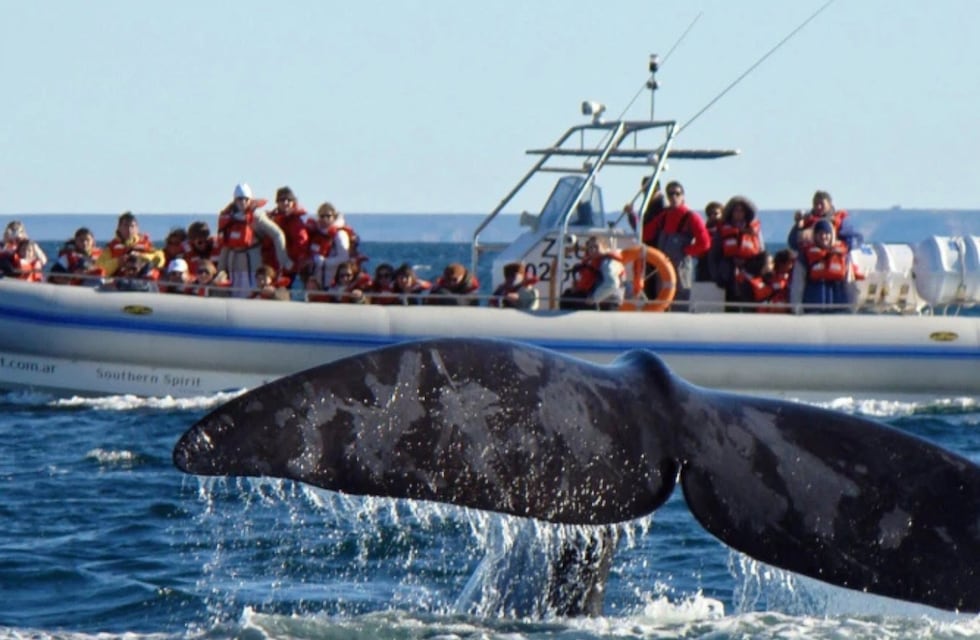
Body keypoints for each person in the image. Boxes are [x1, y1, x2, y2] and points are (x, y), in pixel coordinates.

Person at [641, 180, 711, 310]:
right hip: (662, 266)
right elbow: (645, 234)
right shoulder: (663, 216)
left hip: (681, 267)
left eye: (677, 193)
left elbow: (705, 243)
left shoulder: (691, 217)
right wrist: (633, 216)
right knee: (661, 299)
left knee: (681, 300)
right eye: (670, 194)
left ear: (683, 196)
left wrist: (686, 251)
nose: (674, 197)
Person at [216, 183, 292, 297]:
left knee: (253, 292)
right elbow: (226, 244)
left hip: (252, 261)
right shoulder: (228, 217)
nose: (243, 202)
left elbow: (277, 234)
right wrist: (220, 270)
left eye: (246, 199)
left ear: (250, 199)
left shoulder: (257, 216)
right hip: (233, 262)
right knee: (234, 292)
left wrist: (284, 260)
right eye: (239, 199)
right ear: (235, 200)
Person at [708, 195, 765, 311]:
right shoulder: (723, 230)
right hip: (730, 274)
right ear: (730, 212)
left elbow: (761, 252)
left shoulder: (754, 230)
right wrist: (717, 276)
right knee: (731, 305)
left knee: (750, 305)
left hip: (750, 273)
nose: (739, 213)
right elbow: (714, 254)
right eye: (736, 210)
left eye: (741, 210)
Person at [792, 218, 856, 313]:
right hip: (812, 310)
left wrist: (852, 307)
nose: (823, 236)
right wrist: (797, 308)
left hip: (839, 310)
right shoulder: (805, 257)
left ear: (832, 236)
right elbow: (798, 284)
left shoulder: (843, 256)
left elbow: (850, 283)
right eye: (820, 233)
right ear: (815, 235)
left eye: (827, 233)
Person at [307, 202, 366, 289]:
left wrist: (323, 262)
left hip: (334, 284)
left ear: (334, 217)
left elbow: (344, 258)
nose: (325, 219)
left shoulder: (340, 234)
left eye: (328, 216)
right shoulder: (316, 235)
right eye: (322, 216)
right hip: (318, 282)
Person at [560, 236, 626, 311]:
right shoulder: (593, 261)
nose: (593, 250)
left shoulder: (609, 263)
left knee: (568, 300)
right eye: (590, 248)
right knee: (567, 295)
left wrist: (594, 298)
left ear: (604, 248)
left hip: (608, 301)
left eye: (596, 247)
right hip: (597, 297)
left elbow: (612, 283)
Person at [96, 211, 166, 278]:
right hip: (118, 282)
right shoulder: (110, 248)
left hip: (142, 281)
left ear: (137, 228)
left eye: (132, 226)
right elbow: (99, 268)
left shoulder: (146, 244)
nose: (129, 229)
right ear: (119, 227)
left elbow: (160, 259)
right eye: (125, 226)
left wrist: (142, 257)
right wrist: (118, 261)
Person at [788, 190, 863, 251]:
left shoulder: (839, 220)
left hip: (835, 256)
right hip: (812, 259)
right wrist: (798, 226)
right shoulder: (806, 221)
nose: (818, 207)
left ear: (829, 204)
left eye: (822, 204)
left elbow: (857, 239)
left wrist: (839, 244)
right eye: (816, 204)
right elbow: (792, 243)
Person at [265, 186, 309, 287]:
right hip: (273, 269)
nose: (285, 203)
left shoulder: (296, 222)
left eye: (288, 200)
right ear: (277, 202)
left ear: (293, 202)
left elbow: (301, 245)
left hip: (290, 270)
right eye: (282, 200)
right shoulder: (273, 220)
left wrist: (289, 261)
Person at [695, 201, 724, 282]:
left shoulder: (725, 229)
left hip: (719, 262)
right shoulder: (704, 229)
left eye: (716, 213)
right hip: (704, 262)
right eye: (710, 214)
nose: (712, 216)